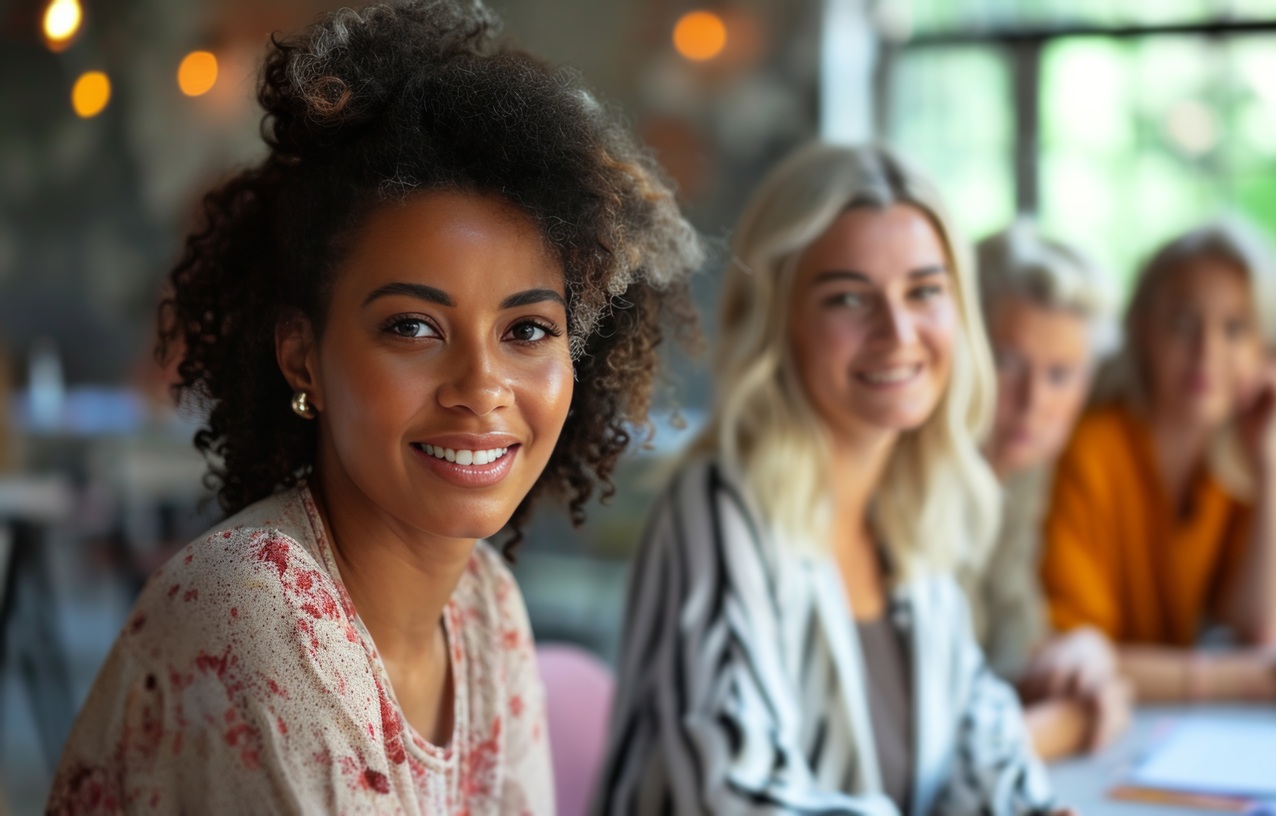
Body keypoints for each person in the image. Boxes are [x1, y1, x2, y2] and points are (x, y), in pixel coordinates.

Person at [48, 2, 702, 812]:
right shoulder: (256, 609)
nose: (482, 385)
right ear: (303, 357)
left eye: (527, 329)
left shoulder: (485, 606)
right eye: (412, 326)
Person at [595, 144, 1057, 816]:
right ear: (778, 322)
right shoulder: (720, 507)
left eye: (925, 291)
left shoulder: (918, 506)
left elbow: (983, 749)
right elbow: (742, 800)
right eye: (848, 298)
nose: (898, 333)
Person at [1039, 221, 1276, 704]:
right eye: (1184, 323)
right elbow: (1073, 660)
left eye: (1235, 328)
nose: (1207, 352)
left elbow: (1265, 625)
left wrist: (1272, 460)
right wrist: (1271, 679)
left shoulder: (1237, 463)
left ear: (1266, 350)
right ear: (1142, 329)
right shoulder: (1091, 450)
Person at [964, 222, 1131, 760]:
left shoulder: (1022, 470)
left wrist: (1080, 654)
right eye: (1009, 362)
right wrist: (1070, 722)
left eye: (1060, 375)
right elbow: (938, 736)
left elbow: (1009, 653)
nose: (1034, 401)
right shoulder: (922, 479)